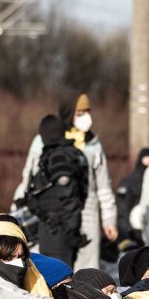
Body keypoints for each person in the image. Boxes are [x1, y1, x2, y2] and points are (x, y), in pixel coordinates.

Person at [15, 94, 118, 271]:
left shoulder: (93, 143)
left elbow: (103, 185)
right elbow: (29, 178)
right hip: (54, 217)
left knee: (86, 269)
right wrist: (17, 208)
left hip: (87, 213)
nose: (85, 116)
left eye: (87, 111)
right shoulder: (43, 140)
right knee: (56, 268)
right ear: (69, 113)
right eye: (80, 112)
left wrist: (109, 219)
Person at [24, 115, 89, 266]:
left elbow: (68, 196)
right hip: (56, 226)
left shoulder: (59, 156)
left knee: (56, 278)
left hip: (58, 229)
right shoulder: (68, 153)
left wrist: (71, 231)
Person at [115, 147, 149, 247]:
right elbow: (122, 209)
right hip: (133, 233)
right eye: (147, 163)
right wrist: (127, 233)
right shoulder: (129, 182)